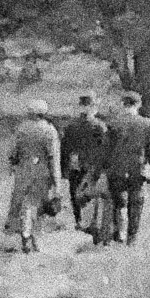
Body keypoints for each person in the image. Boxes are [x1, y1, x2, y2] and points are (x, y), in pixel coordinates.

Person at [102, 88, 150, 244]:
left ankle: (119, 232)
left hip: (116, 169)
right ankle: (132, 237)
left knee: (118, 202)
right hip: (138, 169)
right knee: (136, 203)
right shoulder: (147, 124)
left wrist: (103, 167)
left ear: (123, 104)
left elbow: (105, 148)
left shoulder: (112, 123)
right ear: (139, 105)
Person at [2, 105, 62, 254]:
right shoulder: (49, 130)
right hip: (42, 172)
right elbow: (53, 157)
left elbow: (12, 153)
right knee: (37, 206)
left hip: (23, 171)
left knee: (24, 204)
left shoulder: (21, 129)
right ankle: (33, 238)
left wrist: (13, 166)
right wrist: (57, 182)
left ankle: (25, 235)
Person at [62, 92, 106, 241]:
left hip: (76, 165)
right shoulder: (99, 126)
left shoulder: (71, 126)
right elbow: (104, 148)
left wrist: (63, 169)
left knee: (75, 193)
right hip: (92, 166)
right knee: (90, 194)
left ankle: (80, 221)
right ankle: (89, 224)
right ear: (94, 107)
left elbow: (65, 149)